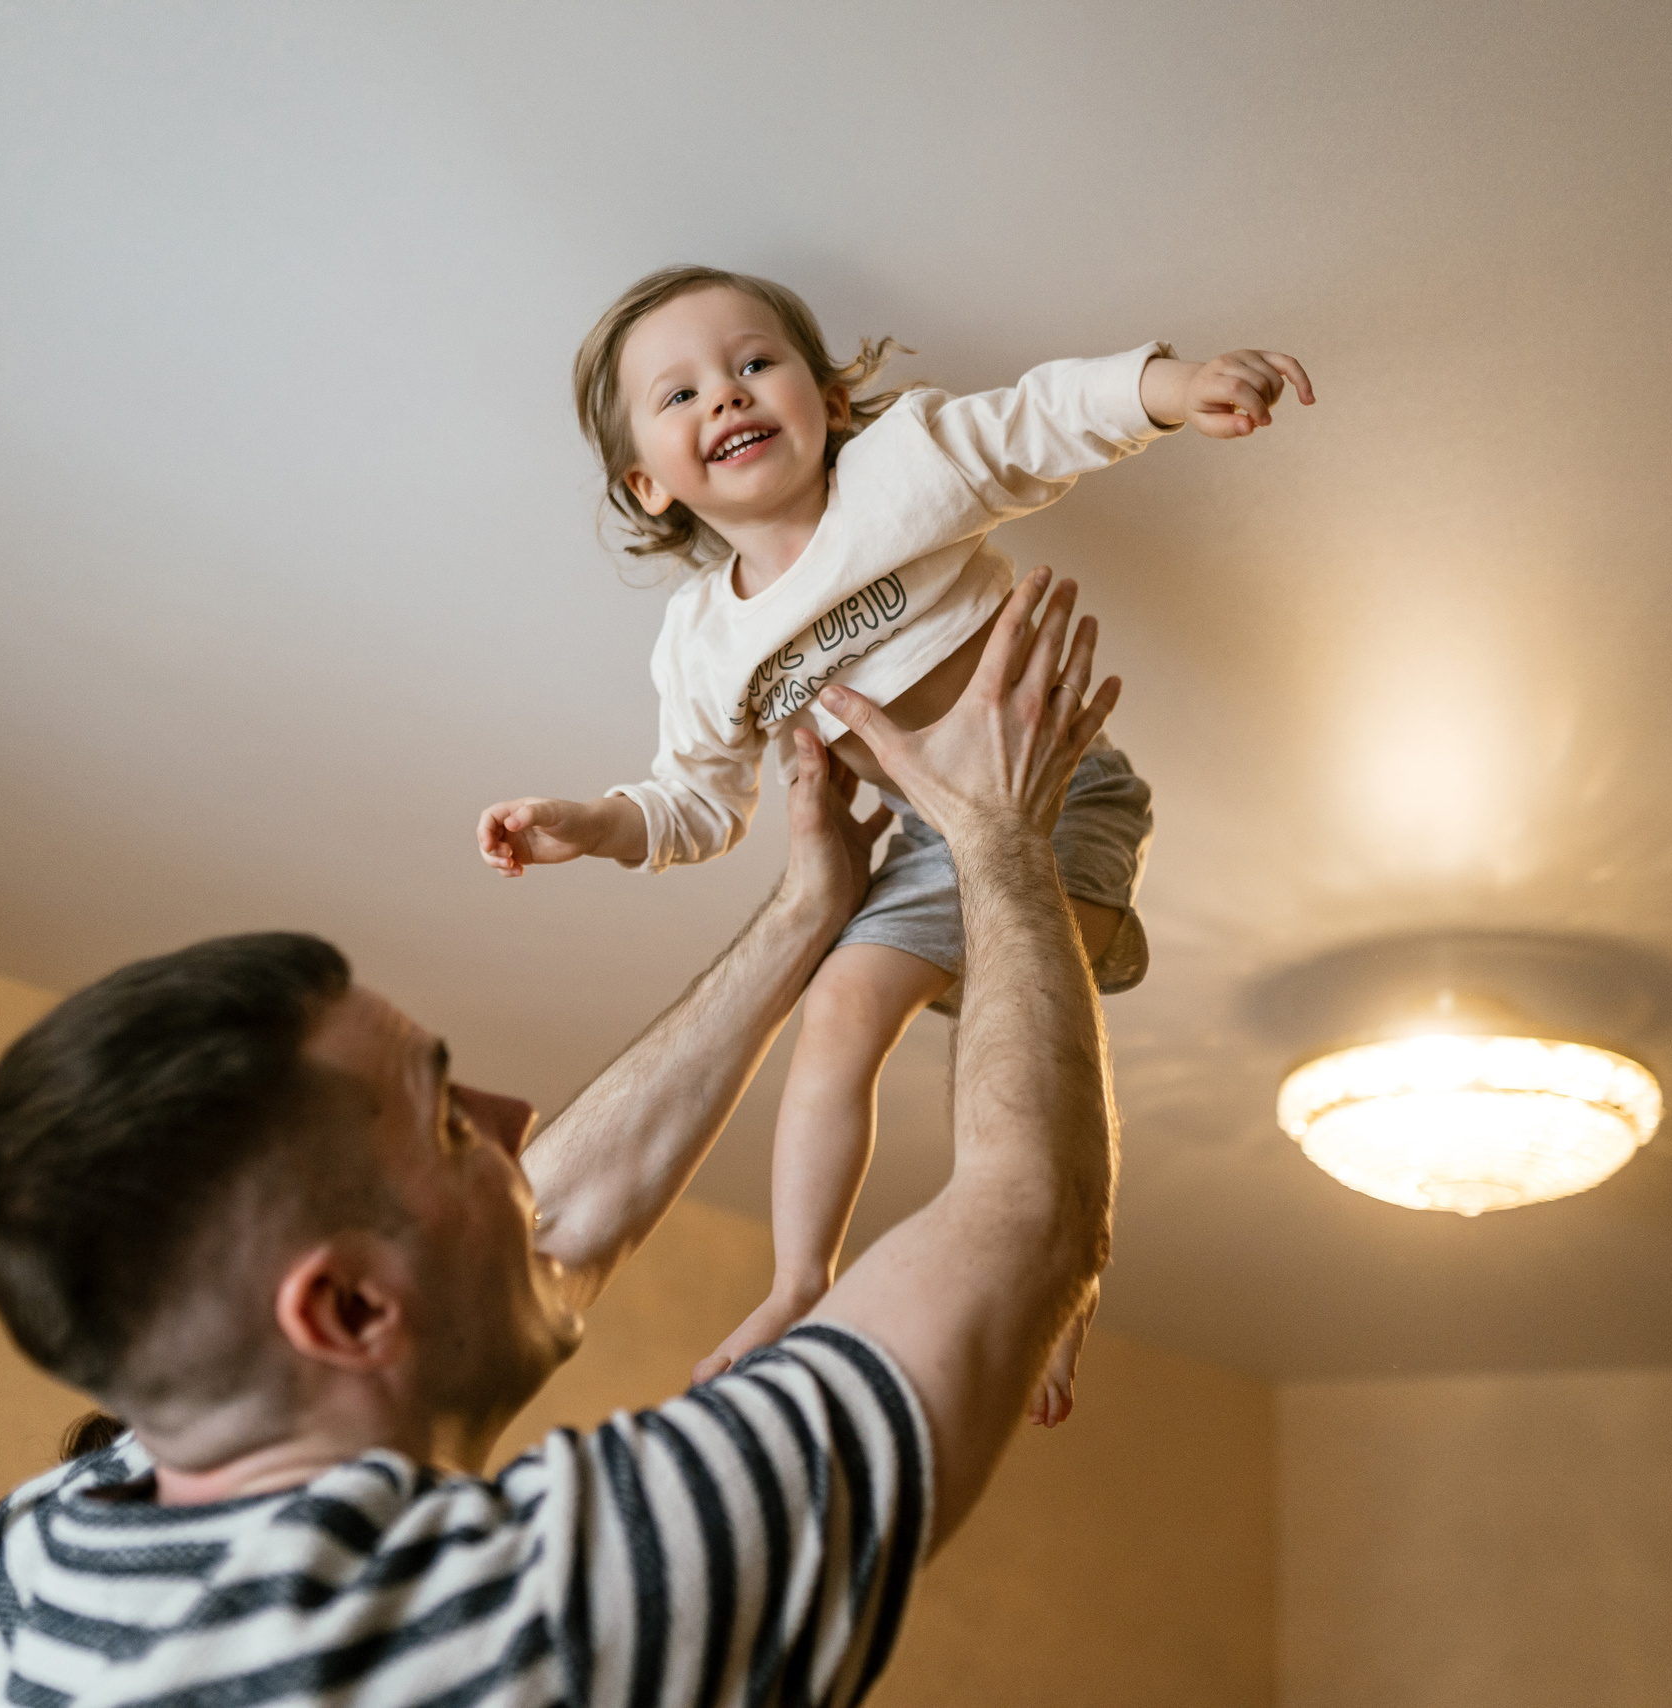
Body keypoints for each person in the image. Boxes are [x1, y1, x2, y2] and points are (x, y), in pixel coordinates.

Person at [0, 572, 1126, 1707]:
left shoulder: (37, 1560)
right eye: (451, 1126)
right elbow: (1026, 1218)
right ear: (343, 1313)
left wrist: (806, 911)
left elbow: (534, 1227)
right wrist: (999, 834)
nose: (517, 1124)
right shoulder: (532, 1623)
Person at [477, 265, 1311, 1414]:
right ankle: (795, 1281)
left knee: (1019, 1054)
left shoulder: (902, 470)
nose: (724, 396)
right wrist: (591, 823)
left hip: (1058, 797)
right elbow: (694, 802)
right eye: (678, 395)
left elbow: (1039, 418)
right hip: (927, 843)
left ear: (825, 399)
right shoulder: (703, 645)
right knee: (834, 1013)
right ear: (647, 483)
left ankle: (1060, 1278)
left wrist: (1171, 387)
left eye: (754, 363)